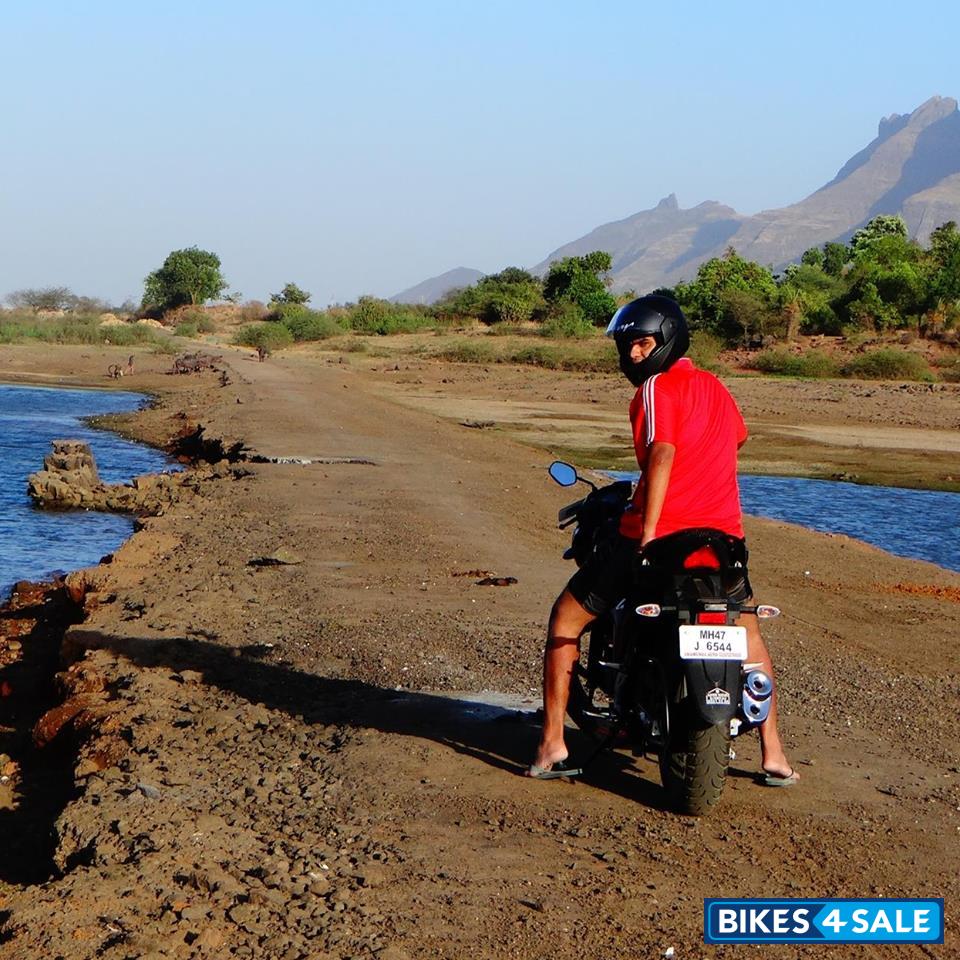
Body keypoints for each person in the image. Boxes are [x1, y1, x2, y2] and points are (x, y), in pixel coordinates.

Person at [528, 294, 797, 786]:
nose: (633, 354)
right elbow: (737, 437)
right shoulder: (715, 385)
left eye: (643, 343)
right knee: (748, 635)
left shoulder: (655, 387)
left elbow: (664, 449)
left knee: (565, 616)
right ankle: (774, 754)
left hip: (659, 539)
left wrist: (648, 529)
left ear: (667, 341)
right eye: (628, 345)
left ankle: (551, 742)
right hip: (722, 540)